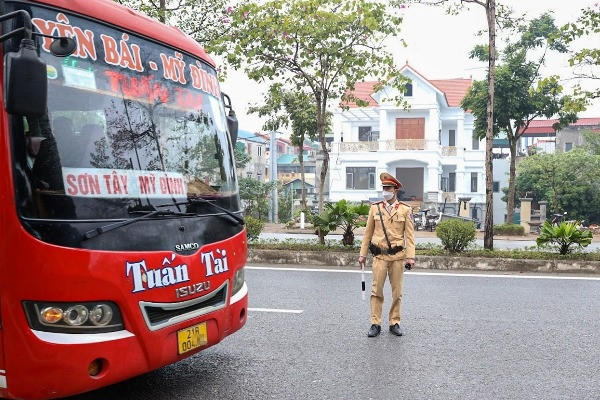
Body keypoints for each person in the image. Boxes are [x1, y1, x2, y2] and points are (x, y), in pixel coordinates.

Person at [358, 172, 415, 337]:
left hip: (397, 258)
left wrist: (410, 257)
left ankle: (394, 322)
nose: (385, 190)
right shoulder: (375, 208)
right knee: (376, 291)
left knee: (397, 292)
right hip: (380, 257)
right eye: (383, 188)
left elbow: (410, 237)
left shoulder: (405, 210)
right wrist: (362, 254)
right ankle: (375, 323)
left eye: (388, 188)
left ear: (395, 190)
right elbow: (367, 234)